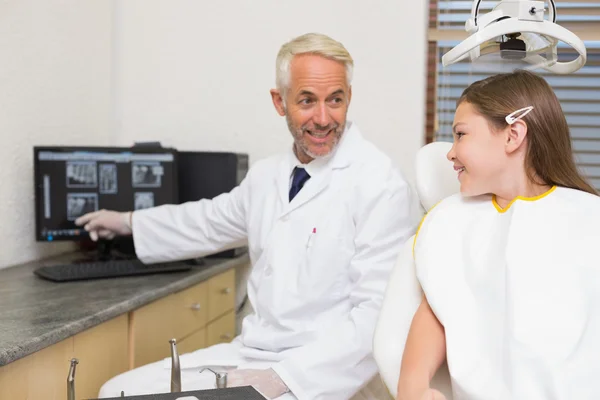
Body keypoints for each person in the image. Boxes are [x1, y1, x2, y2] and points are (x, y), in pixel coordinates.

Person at [76, 32, 419, 400]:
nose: (323, 118)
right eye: (307, 100)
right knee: (116, 391)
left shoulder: (379, 183)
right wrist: (127, 222)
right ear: (279, 102)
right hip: (251, 354)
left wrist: (286, 378)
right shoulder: (267, 176)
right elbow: (206, 221)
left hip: (323, 374)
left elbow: (376, 319)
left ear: (349, 98)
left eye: (335, 100)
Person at [396, 69, 600, 400]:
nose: (449, 152)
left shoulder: (588, 221)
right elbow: (439, 304)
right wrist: (414, 387)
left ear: (512, 135)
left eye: (461, 134)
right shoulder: (453, 223)